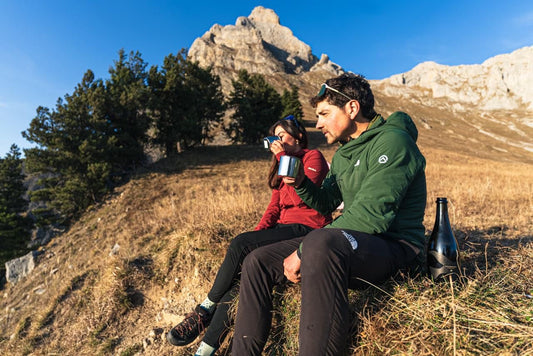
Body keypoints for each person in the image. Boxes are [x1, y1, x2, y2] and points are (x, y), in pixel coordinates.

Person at [231, 73, 427, 355]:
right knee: (257, 260)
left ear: (352, 108)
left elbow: (372, 216)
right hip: (358, 242)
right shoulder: (345, 154)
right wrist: (300, 182)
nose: (318, 123)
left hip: (397, 248)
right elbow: (325, 203)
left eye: (324, 114)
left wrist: (302, 250)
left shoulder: (393, 142)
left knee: (318, 243)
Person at [166, 115, 332, 356]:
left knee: (240, 243)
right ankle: (205, 349)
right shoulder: (280, 166)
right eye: (273, 138)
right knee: (239, 282)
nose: (277, 141)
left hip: (307, 229)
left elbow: (301, 199)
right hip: (283, 230)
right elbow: (274, 208)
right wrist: (256, 237)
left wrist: (282, 157)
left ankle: (203, 311)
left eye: (281, 136)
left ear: (297, 137)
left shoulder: (312, 157)